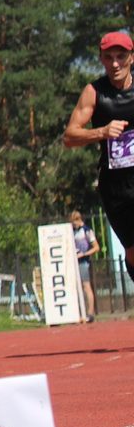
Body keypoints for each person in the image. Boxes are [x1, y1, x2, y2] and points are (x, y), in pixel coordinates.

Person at [64, 31, 134, 286]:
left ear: (131, 58)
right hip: (115, 187)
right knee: (132, 251)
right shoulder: (94, 92)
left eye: (121, 56)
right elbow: (69, 136)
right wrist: (102, 132)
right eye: (109, 57)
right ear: (101, 60)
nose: (115, 63)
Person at [70, 209, 99, 322]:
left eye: (74, 222)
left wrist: (84, 254)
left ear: (78, 220)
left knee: (86, 286)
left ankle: (90, 313)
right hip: (74, 262)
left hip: (83, 262)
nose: (73, 225)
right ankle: (78, 313)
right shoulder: (73, 231)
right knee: (76, 287)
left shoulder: (87, 231)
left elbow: (96, 247)